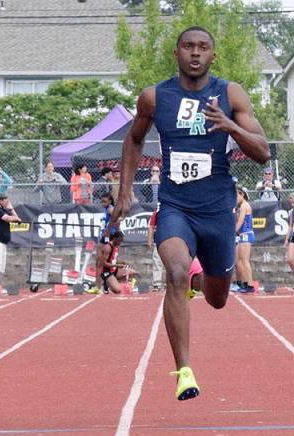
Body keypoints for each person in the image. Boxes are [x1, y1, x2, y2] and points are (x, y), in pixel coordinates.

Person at [110, 26, 270, 401]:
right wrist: (125, 190)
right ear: (177, 53)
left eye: (203, 48)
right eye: (188, 47)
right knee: (177, 272)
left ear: (213, 55)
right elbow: (133, 138)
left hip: (217, 210)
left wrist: (230, 126)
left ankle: (202, 286)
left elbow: (263, 151)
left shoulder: (230, 94)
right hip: (175, 206)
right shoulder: (154, 97)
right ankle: (184, 370)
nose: (195, 53)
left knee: (217, 298)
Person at [89, 192, 117, 294]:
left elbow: (117, 219)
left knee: (102, 263)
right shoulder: (107, 209)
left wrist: (109, 231)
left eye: (104, 201)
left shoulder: (110, 209)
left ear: (109, 201)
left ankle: (100, 286)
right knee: (99, 262)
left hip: (108, 237)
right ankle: (100, 285)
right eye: (101, 202)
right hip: (104, 237)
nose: (102, 203)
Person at [233, 187, 255, 293]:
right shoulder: (241, 206)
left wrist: (232, 232)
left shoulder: (244, 206)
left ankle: (250, 284)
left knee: (245, 260)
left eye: (237, 195)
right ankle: (245, 283)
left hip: (246, 234)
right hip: (242, 235)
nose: (235, 198)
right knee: (239, 260)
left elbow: (241, 221)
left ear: (242, 195)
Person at [147, 205, 164, 291]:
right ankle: (157, 284)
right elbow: (151, 226)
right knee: (157, 262)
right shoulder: (156, 214)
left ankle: (173, 283)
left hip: (169, 241)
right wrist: (150, 240)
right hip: (158, 241)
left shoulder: (172, 213)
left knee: (172, 263)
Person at [285, 192, 294, 272]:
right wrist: (286, 239)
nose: (292, 204)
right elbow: (290, 226)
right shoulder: (292, 212)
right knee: (290, 259)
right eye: (291, 203)